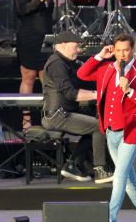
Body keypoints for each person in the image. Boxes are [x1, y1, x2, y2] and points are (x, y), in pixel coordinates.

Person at [77, 34, 136, 222]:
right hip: (111, 131)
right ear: (113, 50)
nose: (122, 54)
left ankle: (109, 218)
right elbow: (81, 74)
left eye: (126, 50)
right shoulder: (106, 69)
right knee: (129, 182)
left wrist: (129, 91)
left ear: (132, 50)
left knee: (119, 177)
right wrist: (99, 56)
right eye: (118, 50)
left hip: (131, 132)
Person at [42, 31, 113, 183]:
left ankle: (73, 165)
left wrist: (100, 57)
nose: (79, 50)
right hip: (57, 116)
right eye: (76, 46)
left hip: (67, 112)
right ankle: (100, 169)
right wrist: (98, 95)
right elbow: (71, 94)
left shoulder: (68, 62)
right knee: (99, 127)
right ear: (62, 45)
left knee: (99, 119)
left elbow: (86, 74)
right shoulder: (56, 64)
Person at [14, 0, 54, 132]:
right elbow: (22, 11)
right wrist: (39, 0)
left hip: (45, 38)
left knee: (47, 79)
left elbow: (48, 12)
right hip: (28, 38)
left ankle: (49, 118)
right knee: (28, 78)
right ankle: (26, 120)